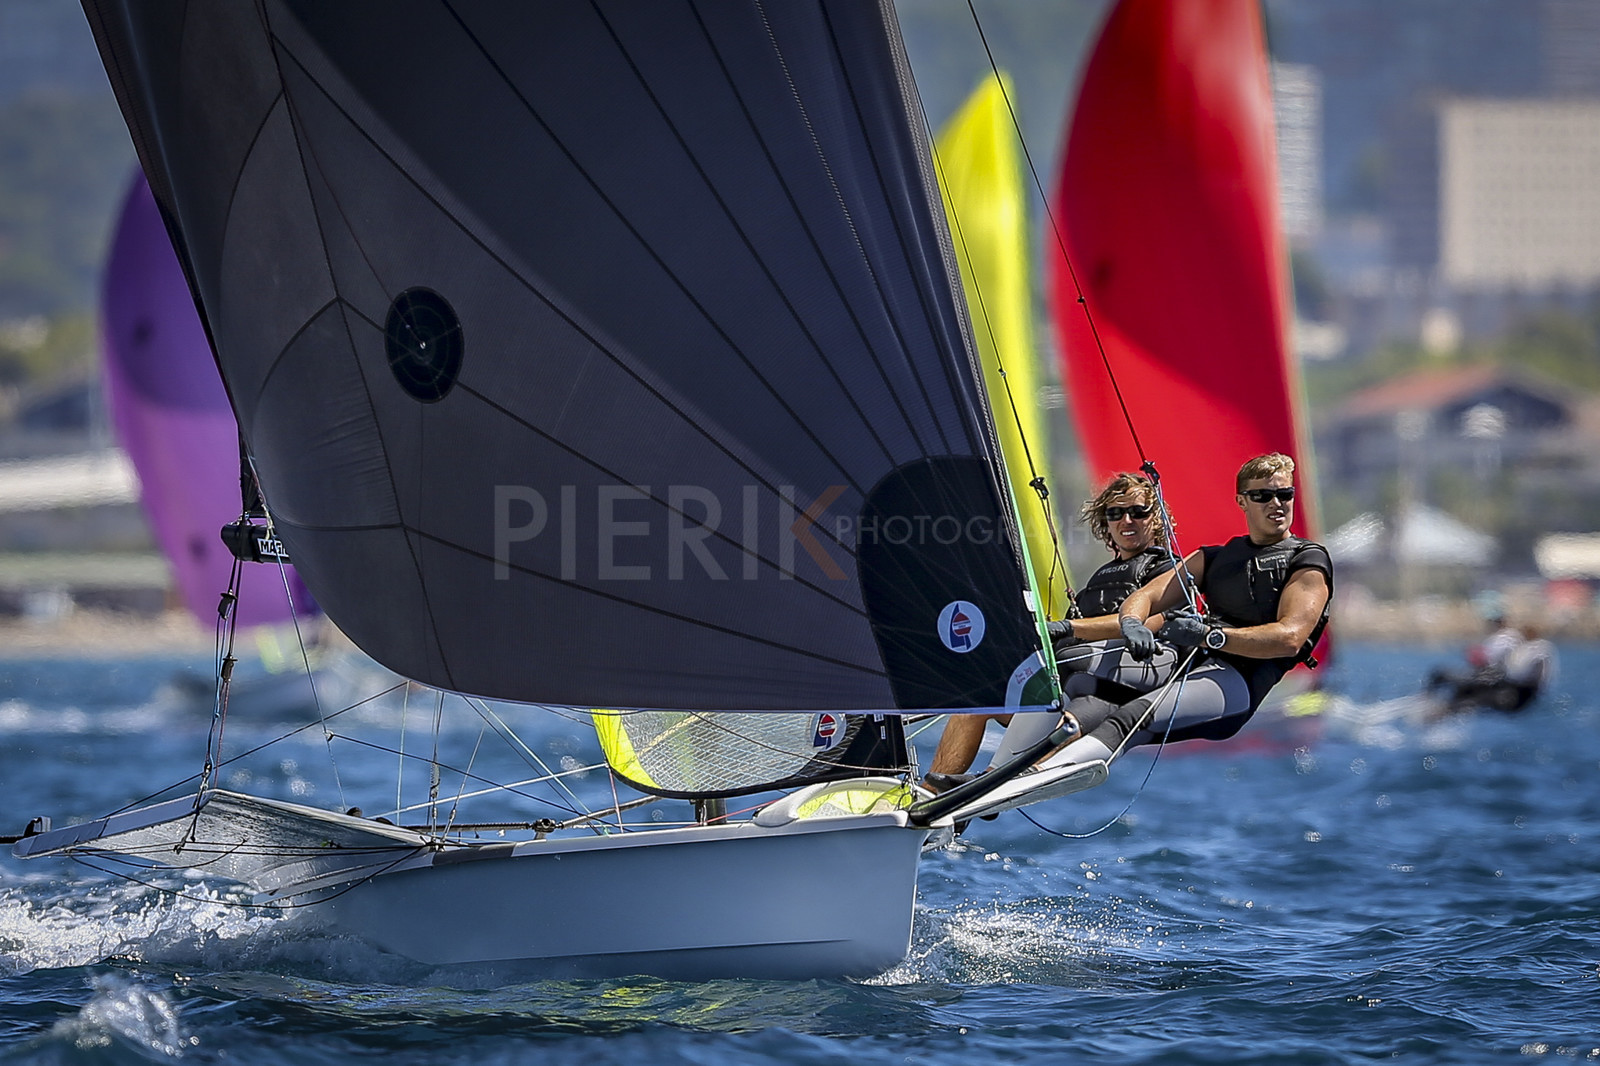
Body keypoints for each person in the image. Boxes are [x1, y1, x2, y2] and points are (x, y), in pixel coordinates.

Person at [1026, 452, 1333, 773]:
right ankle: (1007, 772)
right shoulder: (1212, 558)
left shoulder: (1307, 560)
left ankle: (1035, 776)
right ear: (1242, 501)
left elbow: (1289, 639)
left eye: (1284, 494)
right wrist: (1131, 623)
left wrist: (1209, 635)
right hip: (1193, 671)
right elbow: (1148, 595)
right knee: (1085, 688)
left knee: (1132, 718)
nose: (1276, 503)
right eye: (1263, 496)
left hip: (1237, 686)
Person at [923, 473, 1174, 787]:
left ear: (1156, 519)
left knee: (1064, 722)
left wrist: (1066, 626)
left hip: (1113, 692)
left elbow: (1149, 623)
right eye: (1115, 513)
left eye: (1138, 512)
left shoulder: (1165, 570)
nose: (1127, 520)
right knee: (975, 705)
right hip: (1060, 687)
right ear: (1105, 522)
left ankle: (985, 786)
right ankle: (929, 796)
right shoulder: (1100, 579)